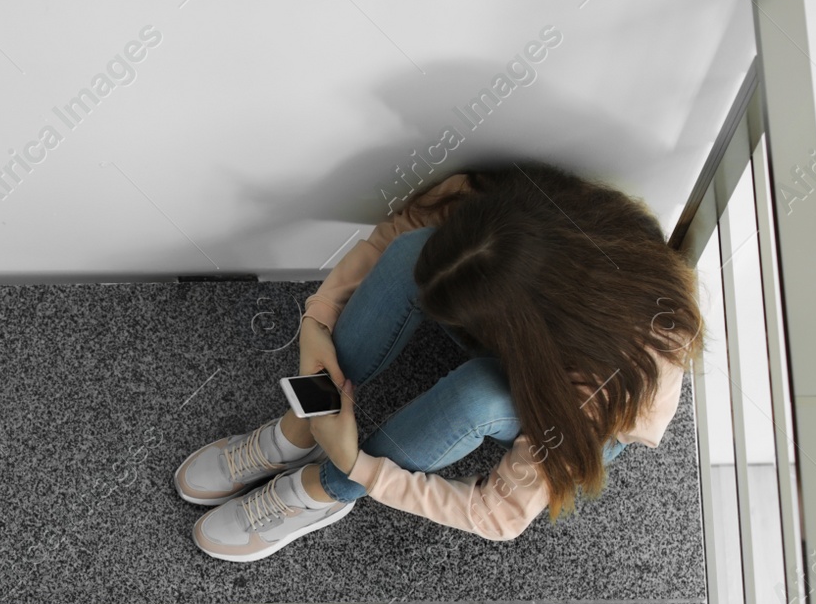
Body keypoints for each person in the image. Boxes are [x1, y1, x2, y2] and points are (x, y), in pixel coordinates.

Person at [175, 161, 704, 562]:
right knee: (413, 254)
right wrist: (315, 323)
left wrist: (358, 466)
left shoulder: (599, 391)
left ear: (512, 333)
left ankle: (326, 490)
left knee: (478, 397)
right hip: (543, 336)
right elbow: (397, 234)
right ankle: (302, 426)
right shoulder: (515, 211)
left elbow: (498, 516)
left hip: (576, 407)